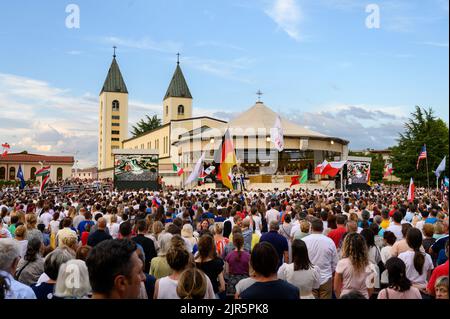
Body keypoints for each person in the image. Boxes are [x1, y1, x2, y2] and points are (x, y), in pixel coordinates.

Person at [303, 218, 338, 299]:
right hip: (325, 277)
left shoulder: (304, 241)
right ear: (322, 229)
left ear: (311, 229)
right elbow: (335, 263)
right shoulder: (329, 241)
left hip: (309, 277)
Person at [334, 233, 375, 299]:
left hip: (345, 296)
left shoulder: (342, 263)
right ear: (363, 247)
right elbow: (370, 289)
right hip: (363, 296)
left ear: (346, 246)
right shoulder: (370, 265)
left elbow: (336, 288)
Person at [398, 228, 434, 292]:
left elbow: (400, 278)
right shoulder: (427, 257)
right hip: (424, 290)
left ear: (407, 240)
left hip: (408, 290)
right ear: (421, 240)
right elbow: (428, 278)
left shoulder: (402, 256)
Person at [195, 234, 225, 299]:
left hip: (197, 295)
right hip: (212, 294)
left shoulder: (193, 263)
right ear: (212, 247)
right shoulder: (217, 262)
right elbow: (222, 287)